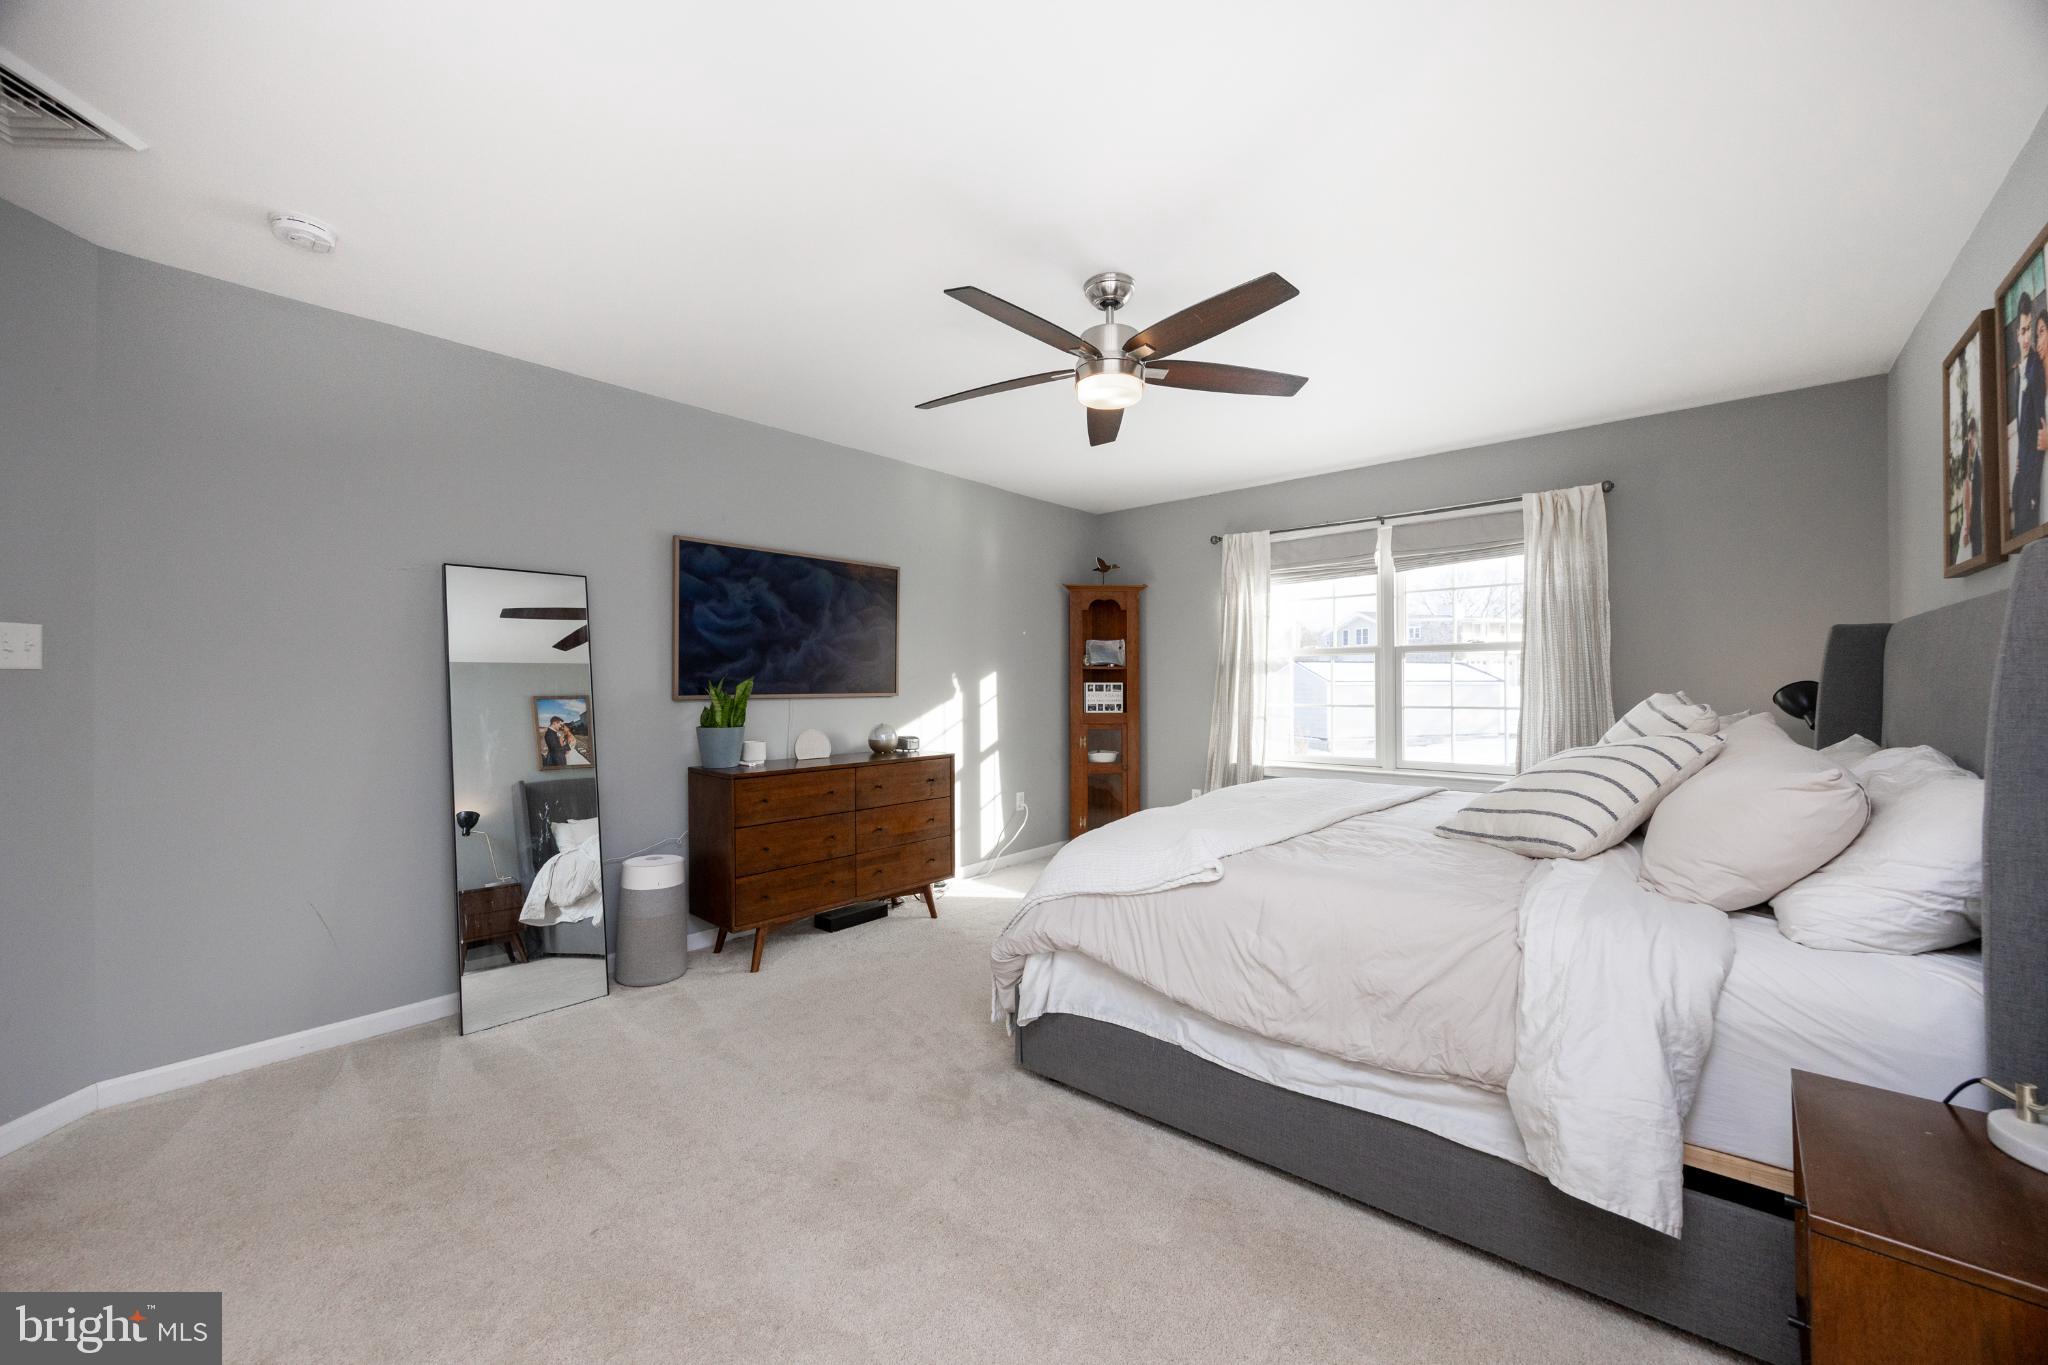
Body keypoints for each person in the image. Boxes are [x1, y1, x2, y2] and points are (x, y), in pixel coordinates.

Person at [2014, 298, 2046, 539]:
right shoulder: (2019, 372)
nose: (2027, 339)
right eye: (2023, 331)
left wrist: (2033, 487)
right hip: (2021, 474)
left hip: (2033, 479)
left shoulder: (2035, 368)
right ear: (2017, 334)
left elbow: (2040, 423)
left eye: (2031, 330)